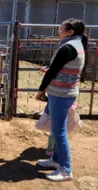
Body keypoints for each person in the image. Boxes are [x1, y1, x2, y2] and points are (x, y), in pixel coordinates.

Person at [36, 18, 87, 182]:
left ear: (70, 32)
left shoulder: (67, 47)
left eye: (61, 28)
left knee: (58, 132)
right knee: (58, 130)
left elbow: (52, 73)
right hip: (64, 92)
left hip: (61, 94)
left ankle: (66, 170)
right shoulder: (76, 45)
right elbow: (59, 69)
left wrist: (41, 90)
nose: (59, 31)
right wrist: (49, 71)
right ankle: (57, 160)